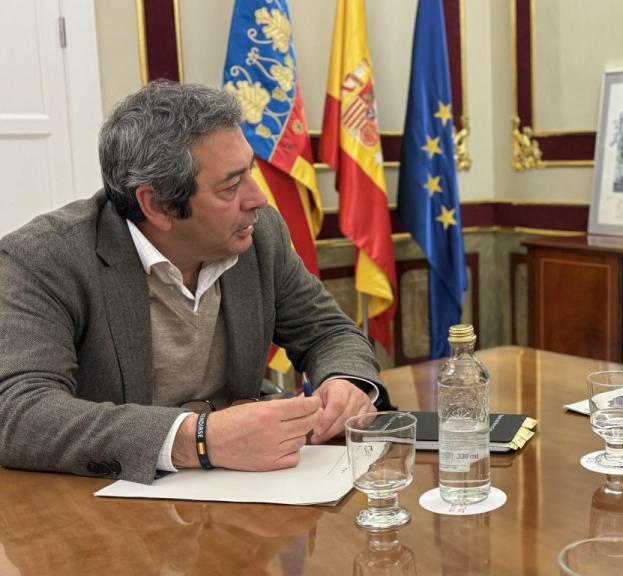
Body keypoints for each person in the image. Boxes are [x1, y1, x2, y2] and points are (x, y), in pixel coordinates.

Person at [0, 81, 389, 483]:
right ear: (158, 205)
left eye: (250, 173)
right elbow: (17, 410)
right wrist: (198, 439)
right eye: (230, 186)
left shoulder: (259, 235)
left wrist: (345, 382)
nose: (259, 199)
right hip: (102, 504)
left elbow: (327, 332)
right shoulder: (44, 257)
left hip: (247, 493)